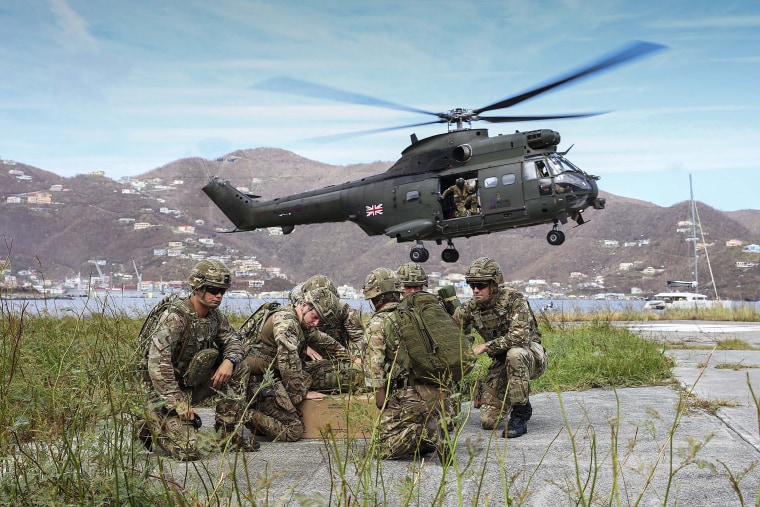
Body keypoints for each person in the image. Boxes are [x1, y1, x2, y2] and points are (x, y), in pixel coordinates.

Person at [137, 259, 256, 460]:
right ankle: (150, 425)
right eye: (212, 289)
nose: (218, 295)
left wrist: (230, 360)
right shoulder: (175, 318)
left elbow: (234, 341)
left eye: (222, 291)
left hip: (190, 384)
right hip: (161, 394)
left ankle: (226, 433)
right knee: (189, 450)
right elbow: (158, 364)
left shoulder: (214, 317)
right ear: (197, 287)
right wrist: (178, 403)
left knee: (239, 367)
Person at [362, 267, 451, 462]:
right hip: (442, 395)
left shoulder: (379, 323)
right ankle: (436, 426)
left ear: (376, 298)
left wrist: (381, 398)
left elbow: (373, 366)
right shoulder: (420, 314)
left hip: (409, 395)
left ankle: (427, 431)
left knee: (381, 449)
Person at [452, 257, 547, 438]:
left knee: (515, 354)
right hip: (501, 362)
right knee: (489, 422)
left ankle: (519, 414)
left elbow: (519, 338)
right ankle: (517, 400)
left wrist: (486, 346)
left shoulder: (514, 299)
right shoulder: (471, 307)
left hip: (530, 356)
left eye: (480, 285)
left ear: (494, 284)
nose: (475, 290)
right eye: (472, 285)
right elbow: (451, 331)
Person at [244, 287, 346, 441]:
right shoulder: (287, 322)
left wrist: (351, 358)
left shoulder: (302, 321)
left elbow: (325, 341)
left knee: (327, 371)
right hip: (259, 382)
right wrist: (302, 394)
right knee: (293, 430)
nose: (316, 323)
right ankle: (242, 413)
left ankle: (260, 417)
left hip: (272, 376)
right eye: (315, 317)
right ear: (305, 305)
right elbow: (288, 362)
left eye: (320, 321)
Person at [289, 275, 366, 393]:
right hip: (306, 359)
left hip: (337, 358)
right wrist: (304, 346)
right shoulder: (300, 305)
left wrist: (355, 360)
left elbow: (360, 342)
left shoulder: (343, 310)